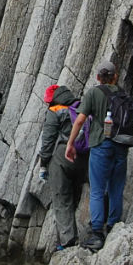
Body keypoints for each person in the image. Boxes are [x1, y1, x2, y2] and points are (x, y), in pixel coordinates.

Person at [65, 62, 133, 250]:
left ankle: (97, 233)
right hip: (121, 147)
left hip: (101, 145)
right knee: (116, 187)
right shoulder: (124, 95)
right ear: (115, 76)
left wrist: (70, 143)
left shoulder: (94, 93)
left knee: (97, 189)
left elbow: (80, 120)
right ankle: (114, 225)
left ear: (98, 77)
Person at [37, 84, 88, 249]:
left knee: (62, 198)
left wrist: (43, 164)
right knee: (77, 195)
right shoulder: (82, 106)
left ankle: (67, 241)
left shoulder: (54, 111)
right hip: (86, 158)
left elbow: (48, 142)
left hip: (63, 158)